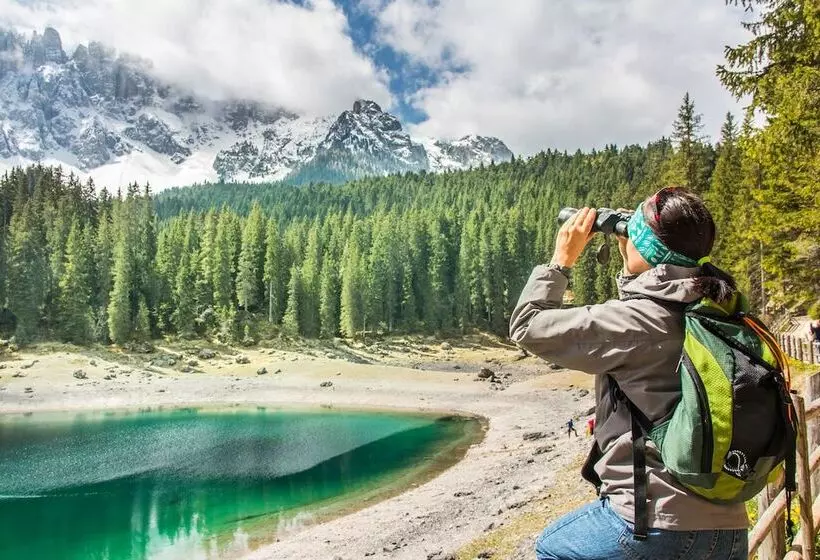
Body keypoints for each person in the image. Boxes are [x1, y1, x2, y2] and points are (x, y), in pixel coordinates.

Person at [510, 188, 748, 560]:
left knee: (551, 548)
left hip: (656, 522)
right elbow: (649, 311)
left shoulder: (637, 322)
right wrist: (633, 265)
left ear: (649, 250)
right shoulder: (718, 309)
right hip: (730, 528)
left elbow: (527, 326)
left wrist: (560, 262)